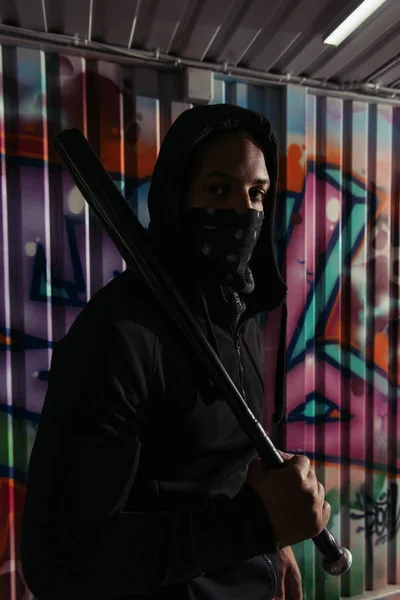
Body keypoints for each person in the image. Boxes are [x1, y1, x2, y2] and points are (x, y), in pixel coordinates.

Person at [21, 104, 330, 600]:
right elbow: (61, 561)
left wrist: (275, 547)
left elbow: (231, 468)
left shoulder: (240, 315)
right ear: (176, 197)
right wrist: (254, 526)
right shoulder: (116, 337)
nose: (243, 212)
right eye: (217, 190)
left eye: (257, 194)